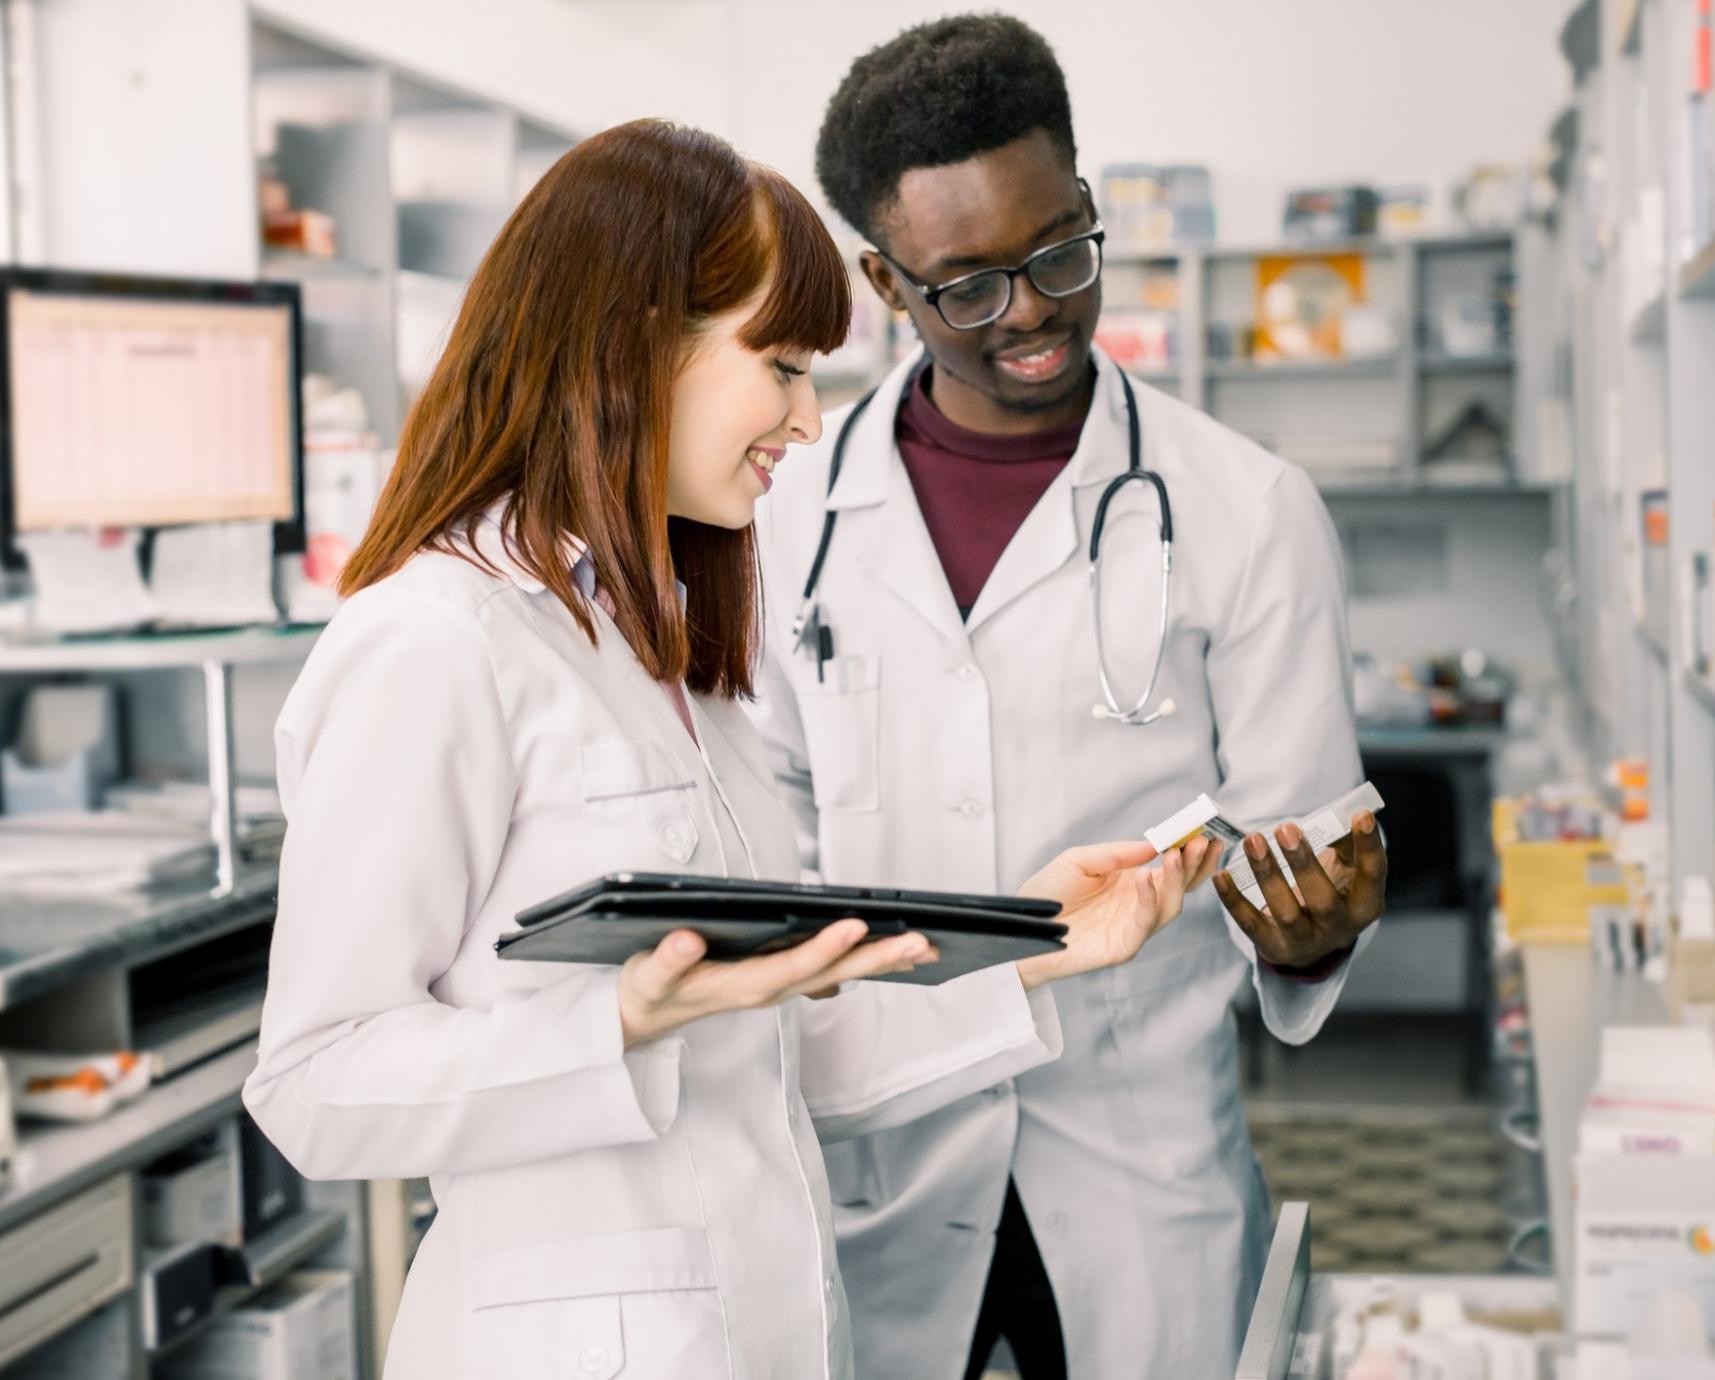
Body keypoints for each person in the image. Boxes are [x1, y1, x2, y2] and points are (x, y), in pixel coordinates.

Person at [241, 119, 1217, 1380]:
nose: (809, 421)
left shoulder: (652, 649)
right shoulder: (434, 642)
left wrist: (1034, 946)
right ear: (636, 346)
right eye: (782, 366)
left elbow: (766, 1046)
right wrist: (618, 1023)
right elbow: (313, 1086)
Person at [751, 16, 1391, 1380]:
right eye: (967, 286)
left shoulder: (1248, 510)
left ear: (1090, 207)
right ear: (883, 280)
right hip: (881, 1164)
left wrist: (1311, 934)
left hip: (1138, 1171)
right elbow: (767, 856)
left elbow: (1303, 859)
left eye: (1058, 253)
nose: (1032, 310)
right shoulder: (786, 517)